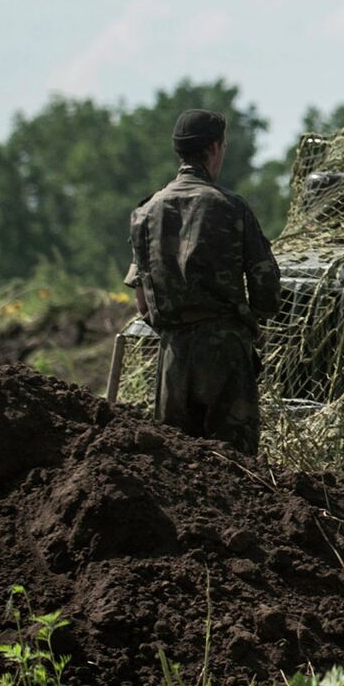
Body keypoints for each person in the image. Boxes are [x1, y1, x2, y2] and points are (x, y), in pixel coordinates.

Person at [125, 109, 281, 454]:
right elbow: (266, 288)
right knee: (236, 471)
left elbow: (141, 301)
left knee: (178, 470)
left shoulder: (145, 213)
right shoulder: (231, 207)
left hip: (173, 359)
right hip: (225, 355)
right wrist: (248, 323)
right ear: (214, 148)